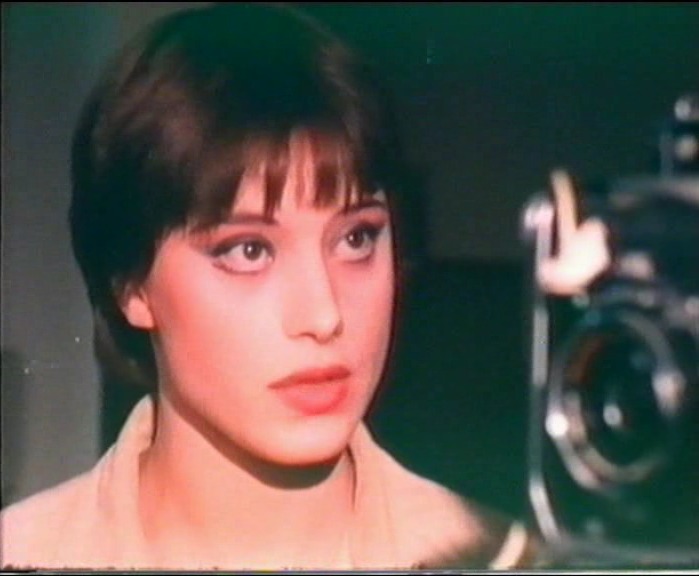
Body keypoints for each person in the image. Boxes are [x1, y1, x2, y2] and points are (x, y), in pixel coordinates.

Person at [0, 3, 565, 570]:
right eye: (249, 250)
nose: (324, 315)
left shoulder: (505, 561)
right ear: (132, 286)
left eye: (356, 239)